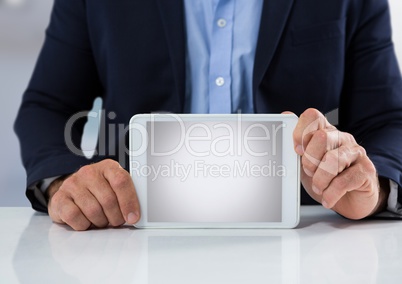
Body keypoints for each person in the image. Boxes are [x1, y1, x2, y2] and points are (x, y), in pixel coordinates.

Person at [14, 0, 402, 231]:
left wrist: (373, 191)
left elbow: (388, 121)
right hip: (131, 232)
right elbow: (47, 107)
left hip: (305, 235)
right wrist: (63, 181)